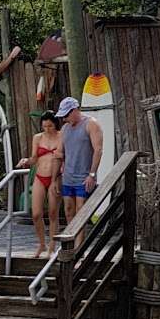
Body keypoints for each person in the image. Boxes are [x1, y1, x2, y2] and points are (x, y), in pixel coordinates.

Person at [55, 95, 103, 239]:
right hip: (68, 176)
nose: (64, 119)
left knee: (80, 211)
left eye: (66, 115)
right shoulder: (65, 128)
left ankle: (78, 248)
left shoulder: (91, 124)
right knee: (68, 210)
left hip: (84, 176)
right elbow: (60, 151)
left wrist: (92, 174)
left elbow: (98, 150)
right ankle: (71, 239)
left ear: (75, 110)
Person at [19, 111, 62, 258]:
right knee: (36, 214)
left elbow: (65, 156)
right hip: (39, 176)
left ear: (55, 124)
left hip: (55, 177)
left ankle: (51, 246)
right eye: (44, 126)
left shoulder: (62, 136)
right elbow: (34, 158)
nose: (47, 129)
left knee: (52, 213)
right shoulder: (37, 138)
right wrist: (26, 161)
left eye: (50, 126)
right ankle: (41, 244)